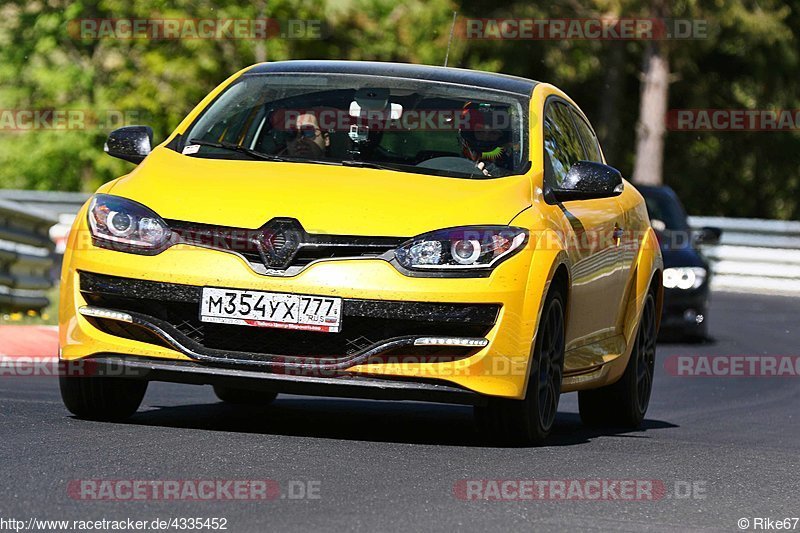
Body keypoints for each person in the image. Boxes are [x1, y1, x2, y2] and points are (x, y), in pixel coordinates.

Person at [458, 102, 515, 176]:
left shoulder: (516, 161)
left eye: (494, 133)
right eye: (480, 132)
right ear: (471, 133)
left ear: (503, 136)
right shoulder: (455, 155)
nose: (485, 138)